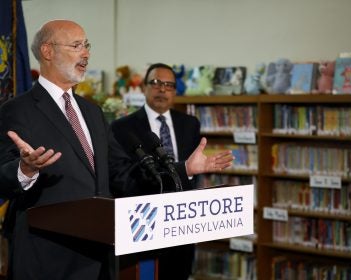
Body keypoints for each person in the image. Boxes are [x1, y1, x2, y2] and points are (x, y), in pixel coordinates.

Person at [0, 20, 233, 280]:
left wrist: (184, 168)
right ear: (47, 51)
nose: (86, 53)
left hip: (100, 257)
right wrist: (25, 169)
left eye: (87, 45)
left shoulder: (92, 112)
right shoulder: (17, 111)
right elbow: (2, 178)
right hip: (48, 259)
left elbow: (122, 175)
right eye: (76, 45)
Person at [110, 63, 198, 280]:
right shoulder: (122, 127)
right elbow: (121, 178)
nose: (162, 89)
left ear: (175, 92)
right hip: (144, 223)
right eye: (156, 83)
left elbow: (194, 173)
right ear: (144, 88)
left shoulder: (189, 124)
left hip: (183, 222)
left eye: (169, 85)